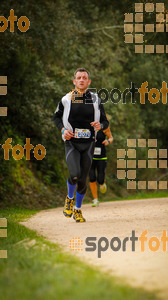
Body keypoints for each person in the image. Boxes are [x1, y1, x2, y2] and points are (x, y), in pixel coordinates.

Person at [53, 68, 109, 222]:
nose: (82, 80)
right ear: (74, 81)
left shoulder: (96, 100)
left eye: (85, 77)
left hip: (89, 143)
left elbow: (105, 121)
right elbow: (56, 117)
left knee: (83, 180)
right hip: (72, 143)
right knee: (74, 174)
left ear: (89, 82)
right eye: (79, 78)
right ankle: (69, 198)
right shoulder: (66, 99)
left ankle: (77, 210)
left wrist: (100, 125)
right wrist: (63, 129)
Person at [89, 124, 113, 207]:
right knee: (92, 178)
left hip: (101, 157)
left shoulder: (104, 127)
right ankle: (95, 199)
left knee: (100, 179)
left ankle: (102, 183)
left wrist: (108, 141)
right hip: (90, 157)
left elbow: (111, 138)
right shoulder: (88, 127)